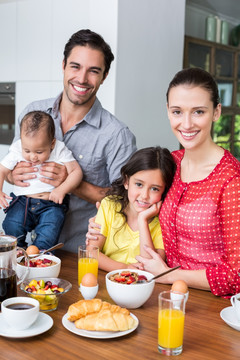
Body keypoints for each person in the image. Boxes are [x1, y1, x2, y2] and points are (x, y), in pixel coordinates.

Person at [88, 68, 240, 297]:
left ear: (216, 112)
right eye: (177, 111)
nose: (186, 124)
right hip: (160, 291)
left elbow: (236, 275)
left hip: (212, 302)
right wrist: (103, 219)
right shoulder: (171, 163)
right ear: (168, 112)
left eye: (198, 111)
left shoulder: (231, 180)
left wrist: (168, 274)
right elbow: (138, 199)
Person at [8, 29, 136, 253]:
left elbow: (124, 200)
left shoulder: (118, 135)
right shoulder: (32, 113)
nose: (82, 79)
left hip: (79, 252)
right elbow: (12, 168)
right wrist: (11, 174)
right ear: (64, 65)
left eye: (93, 71)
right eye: (75, 66)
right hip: (24, 248)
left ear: (104, 76)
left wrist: (70, 183)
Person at [0, 111, 82, 250]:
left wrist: (62, 189)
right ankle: (18, 253)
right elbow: (2, 170)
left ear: (52, 143)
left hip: (51, 204)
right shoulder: (17, 148)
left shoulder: (59, 149)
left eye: (39, 152)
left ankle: (40, 255)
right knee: (11, 225)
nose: (32, 157)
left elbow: (76, 172)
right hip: (22, 201)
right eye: (27, 151)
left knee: (50, 231)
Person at [86, 147, 176, 272]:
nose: (144, 195)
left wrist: (142, 220)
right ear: (126, 181)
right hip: (107, 280)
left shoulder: (163, 220)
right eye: (139, 184)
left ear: (164, 191)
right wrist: (125, 268)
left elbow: (150, 266)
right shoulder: (109, 205)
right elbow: (91, 253)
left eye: (154, 188)